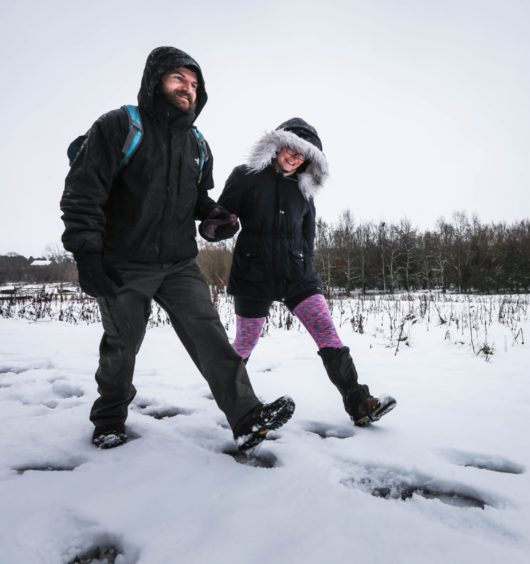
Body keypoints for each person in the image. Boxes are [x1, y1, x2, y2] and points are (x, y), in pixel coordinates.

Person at [60, 46, 294, 451]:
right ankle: (110, 418)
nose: (188, 89)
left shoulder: (197, 144)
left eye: (194, 84)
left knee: (210, 336)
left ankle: (246, 417)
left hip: (179, 263)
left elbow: (196, 199)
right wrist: (88, 255)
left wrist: (216, 215)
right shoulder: (119, 127)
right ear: (155, 80)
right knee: (122, 345)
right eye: (178, 79)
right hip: (124, 263)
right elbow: (83, 193)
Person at [215, 118, 396, 426]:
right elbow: (222, 218)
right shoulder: (246, 176)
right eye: (292, 148)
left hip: (297, 275)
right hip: (253, 273)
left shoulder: (304, 191)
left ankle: (359, 403)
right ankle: (236, 404)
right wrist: (215, 226)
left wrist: (308, 271)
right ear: (277, 145)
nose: (296, 157)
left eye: (304, 154)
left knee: (327, 331)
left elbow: (308, 236)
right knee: (245, 342)